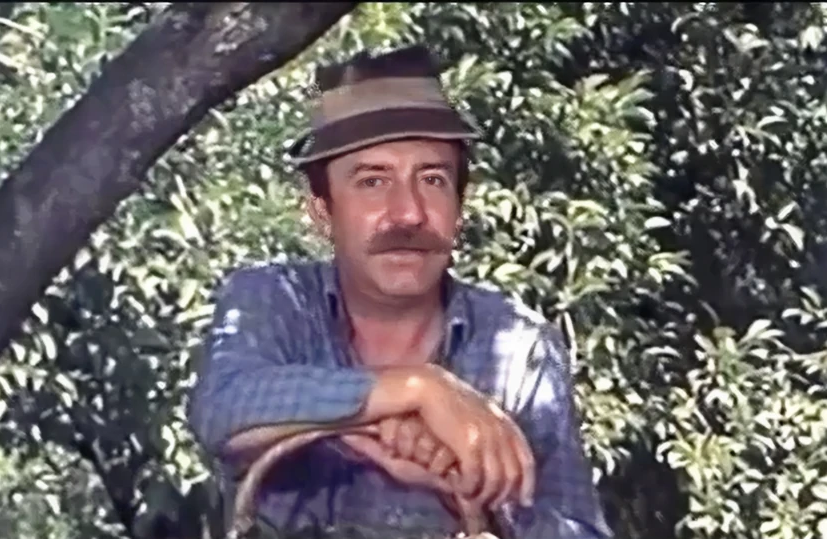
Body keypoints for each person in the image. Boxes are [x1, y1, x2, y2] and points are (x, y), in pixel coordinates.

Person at [188, 45, 612, 538]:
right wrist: (418, 390)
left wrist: (478, 488)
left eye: (432, 179)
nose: (408, 213)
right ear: (322, 212)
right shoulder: (275, 298)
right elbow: (223, 407)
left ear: (459, 206)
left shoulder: (521, 349)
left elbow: (581, 528)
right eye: (372, 181)